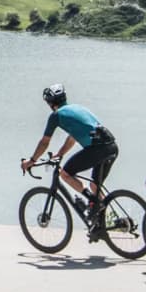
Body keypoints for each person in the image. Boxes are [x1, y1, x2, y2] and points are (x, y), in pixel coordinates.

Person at [20, 84, 117, 233]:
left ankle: (93, 202)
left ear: (50, 103)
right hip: (112, 147)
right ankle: (112, 220)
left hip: (97, 149)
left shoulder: (56, 115)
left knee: (65, 173)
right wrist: (60, 154)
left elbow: (45, 142)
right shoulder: (77, 108)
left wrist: (31, 161)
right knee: (95, 186)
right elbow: (72, 138)